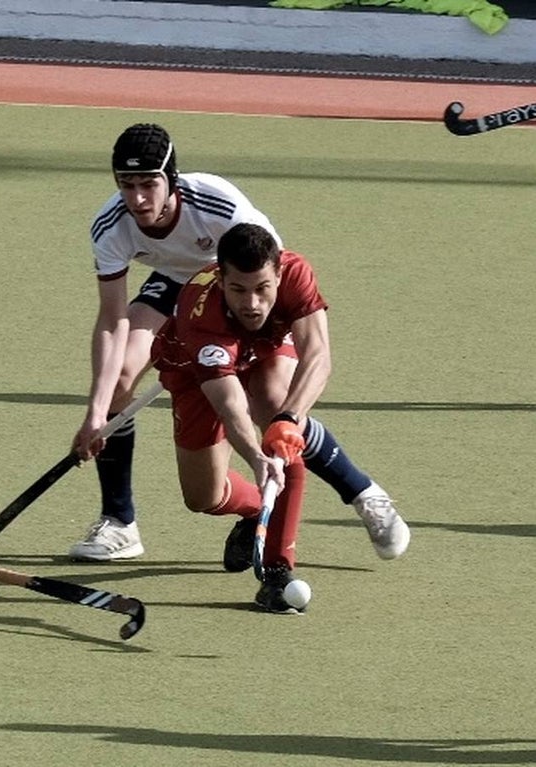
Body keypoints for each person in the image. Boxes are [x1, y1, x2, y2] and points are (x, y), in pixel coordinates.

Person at [69, 122, 409, 566]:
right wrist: (97, 414)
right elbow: (113, 321)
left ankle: (363, 493)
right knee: (119, 382)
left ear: (172, 179)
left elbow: (268, 280)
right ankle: (119, 521)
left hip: (240, 290)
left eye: (149, 184)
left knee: (271, 401)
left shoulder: (219, 205)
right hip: (175, 286)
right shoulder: (111, 225)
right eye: (126, 185)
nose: (137, 199)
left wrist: (241, 348)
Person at [151, 223, 347, 612]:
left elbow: (318, 355)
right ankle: (258, 509)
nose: (252, 303)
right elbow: (230, 404)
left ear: (278, 274)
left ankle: (277, 570)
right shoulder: (201, 316)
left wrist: (289, 418)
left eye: (262, 288)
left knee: (277, 413)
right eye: (238, 290)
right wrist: (256, 458)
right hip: (196, 370)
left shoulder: (296, 273)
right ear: (221, 280)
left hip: (265, 349)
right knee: (202, 496)